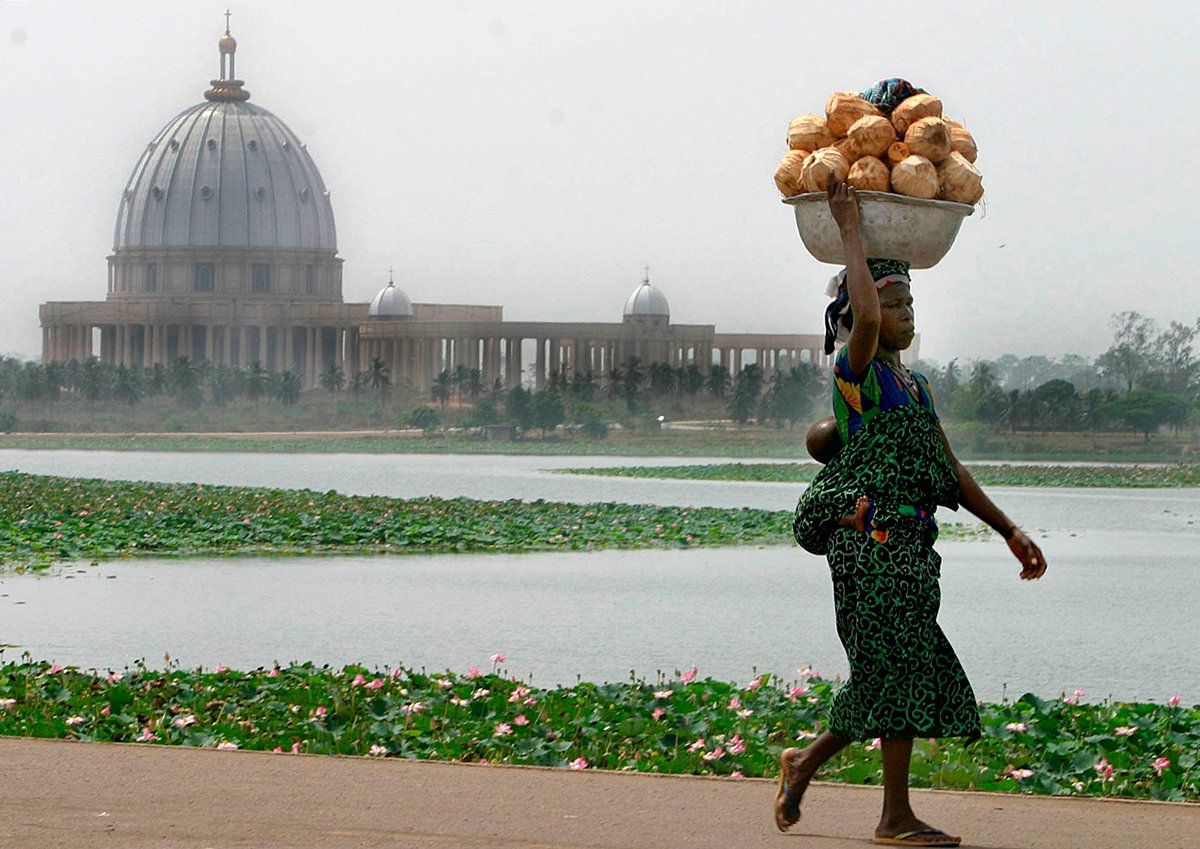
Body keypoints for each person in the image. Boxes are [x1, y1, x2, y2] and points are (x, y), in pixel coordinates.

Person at [775, 180, 1047, 847]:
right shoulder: (855, 373)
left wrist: (1008, 528)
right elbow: (864, 322)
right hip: (868, 543)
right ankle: (886, 811)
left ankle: (810, 765)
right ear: (852, 316)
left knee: (899, 668)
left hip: (913, 546)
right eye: (890, 302)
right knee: (887, 671)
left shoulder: (916, 387)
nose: (902, 313)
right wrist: (850, 232)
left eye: (908, 302)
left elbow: (948, 468)